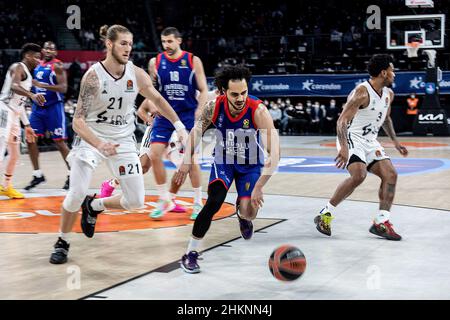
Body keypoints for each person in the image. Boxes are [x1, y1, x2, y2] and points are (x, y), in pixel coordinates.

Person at [49, 24, 188, 264]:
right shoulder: (93, 76)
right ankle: (62, 241)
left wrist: (179, 126)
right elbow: (78, 121)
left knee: (135, 201)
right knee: (75, 193)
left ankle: (94, 205)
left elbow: (158, 99)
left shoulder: (137, 74)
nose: (128, 48)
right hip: (91, 138)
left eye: (130, 44)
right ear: (109, 44)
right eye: (123, 43)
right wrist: (99, 143)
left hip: (123, 140)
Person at [174, 65, 280, 273]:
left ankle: (243, 215)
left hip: (250, 166)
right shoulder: (213, 107)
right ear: (223, 91)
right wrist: (186, 159)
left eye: (244, 92)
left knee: (249, 211)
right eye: (234, 94)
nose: (240, 98)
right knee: (214, 202)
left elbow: (275, 153)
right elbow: (196, 131)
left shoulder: (258, 111)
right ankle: (190, 253)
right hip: (224, 160)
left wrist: (260, 186)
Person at [315, 54, 408, 241]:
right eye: (392, 70)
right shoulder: (362, 92)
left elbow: (386, 119)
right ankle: (326, 214)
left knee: (391, 175)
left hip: (370, 140)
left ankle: (381, 222)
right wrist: (343, 147)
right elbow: (342, 120)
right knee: (359, 175)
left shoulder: (389, 94)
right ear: (383, 72)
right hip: (351, 137)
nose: (394, 74)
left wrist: (396, 143)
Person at [145, 27, 209, 220]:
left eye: (170, 41)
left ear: (179, 40)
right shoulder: (155, 62)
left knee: (191, 161)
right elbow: (151, 91)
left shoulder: (192, 60)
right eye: (164, 42)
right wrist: (151, 104)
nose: (167, 45)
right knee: (154, 154)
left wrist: (200, 109)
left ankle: (198, 203)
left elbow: (204, 89)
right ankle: (164, 198)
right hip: (165, 116)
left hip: (188, 115)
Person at [25, 41, 71, 190]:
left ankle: (73, 174)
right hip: (38, 108)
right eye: (46, 48)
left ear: (56, 52)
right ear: (42, 51)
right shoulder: (37, 66)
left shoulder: (57, 65)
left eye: (52, 48)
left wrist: (42, 86)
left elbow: (63, 88)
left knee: (59, 142)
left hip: (53, 108)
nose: (48, 50)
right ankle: (37, 174)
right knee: (30, 139)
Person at [0, 43, 43, 198]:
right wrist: (32, 95)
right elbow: (14, 86)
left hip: (15, 114)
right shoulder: (17, 67)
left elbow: (21, 103)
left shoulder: (29, 75)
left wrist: (27, 125)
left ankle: (6, 186)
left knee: (15, 154)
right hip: (4, 109)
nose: (39, 61)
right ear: (27, 56)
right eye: (37, 57)